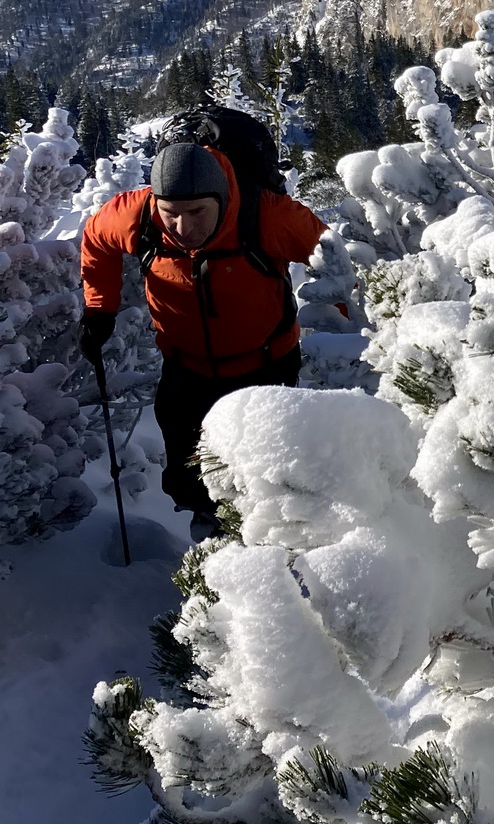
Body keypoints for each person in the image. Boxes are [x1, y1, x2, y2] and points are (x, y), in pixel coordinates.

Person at [79, 141, 326, 535]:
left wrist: (348, 330)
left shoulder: (267, 216)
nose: (183, 227)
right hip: (186, 369)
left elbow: (335, 262)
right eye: (171, 213)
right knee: (191, 474)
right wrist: (99, 308)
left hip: (265, 368)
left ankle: (273, 545)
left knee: (267, 475)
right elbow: (97, 239)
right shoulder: (137, 215)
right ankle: (208, 541)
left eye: (197, 212)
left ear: (223, 199)